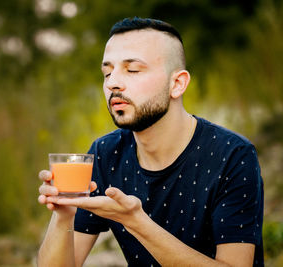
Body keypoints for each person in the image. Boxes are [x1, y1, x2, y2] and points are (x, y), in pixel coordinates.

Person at [37, 17, 264, 267]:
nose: (113, 82)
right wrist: (64, 216)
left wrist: (136, 222)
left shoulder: (232, 156)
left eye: (132, 70)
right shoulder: (106, 153)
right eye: (107, 72)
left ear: (177, 84)